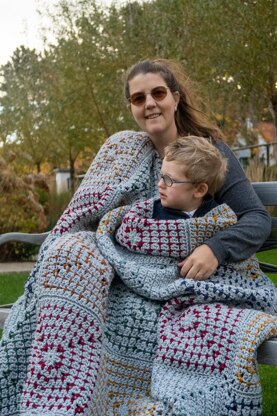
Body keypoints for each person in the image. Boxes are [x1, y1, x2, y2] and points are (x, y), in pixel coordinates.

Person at [0, 58, 276, 416]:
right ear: (131, 107)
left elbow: (255, 218)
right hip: (125, 275)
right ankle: (60, 400)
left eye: (158, 93)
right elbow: (96, 219)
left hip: (187, 279)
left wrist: (215, 248)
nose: (149, 104)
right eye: (138, 98)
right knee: (68, 254)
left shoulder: (209, 153)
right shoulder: (124, 153)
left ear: (175, 97)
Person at [152, 135, 228, 221]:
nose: (160, 184)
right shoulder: (147, 214)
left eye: (168, 180)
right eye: (161, 175)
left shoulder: (220, 219)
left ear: (199, 190)